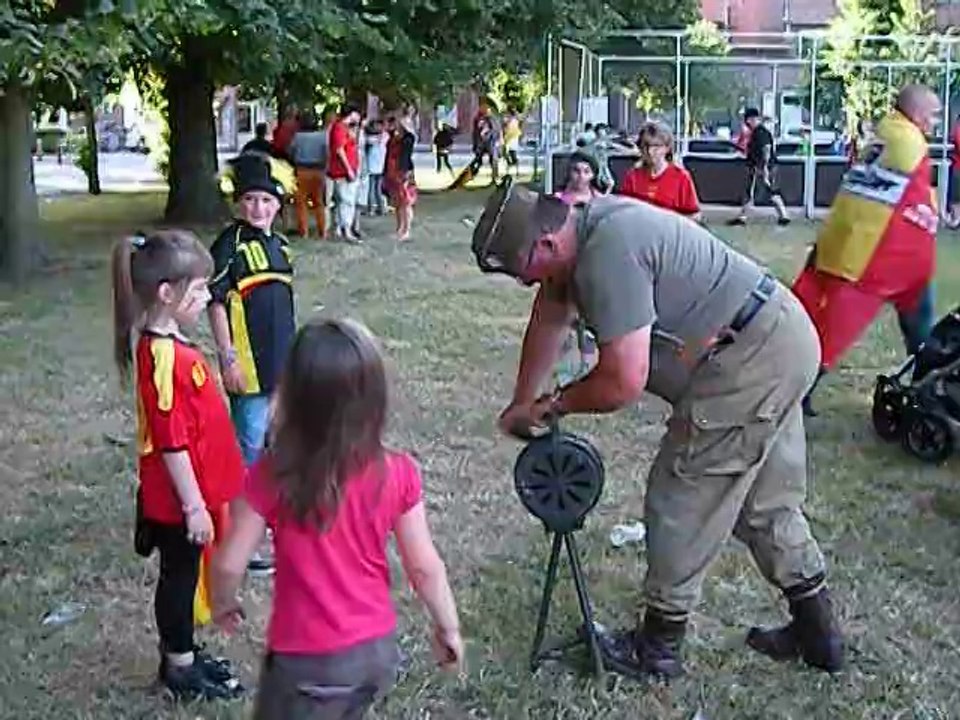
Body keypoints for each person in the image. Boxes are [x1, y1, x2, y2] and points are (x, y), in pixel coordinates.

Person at [470, 178, 843, 680]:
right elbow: (551, 314)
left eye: (524, 272)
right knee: (764, 501)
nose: (526, 283)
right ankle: (818, 632)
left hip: (748, 358)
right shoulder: (583, 226)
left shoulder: (608, 252)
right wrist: (522, 402)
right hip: (777, 337)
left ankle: (658, 649)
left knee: (681, 492)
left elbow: (623, 380)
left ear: (545, 242)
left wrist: (553, 406)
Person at [209, 318, 464, 719]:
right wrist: (447, 625)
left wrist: (222, 602)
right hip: (374, 652)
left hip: (306, 662)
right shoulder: (398, 472)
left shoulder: (274, 475)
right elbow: (424, 566)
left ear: (293, 397)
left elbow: (227, 562)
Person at [110, 230, 245, 701]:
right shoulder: (162, 355)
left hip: (194, 492)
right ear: (167, 294)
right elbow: (170, 441)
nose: (208, 297)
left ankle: (183, 651)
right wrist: (193, 507)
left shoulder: (171, 341)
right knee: (179, 577)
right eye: (200, 289)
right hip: (176, 500)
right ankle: (179, 667)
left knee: (187, 575)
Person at [792, 84, 941, 416]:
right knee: (833, 336)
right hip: (878, 262)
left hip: (858, 254)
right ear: (915, 113)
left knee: (832, 331)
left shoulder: (885, 135)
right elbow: (911, 198)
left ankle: (926, 391)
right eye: (932, 114)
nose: (935, 122)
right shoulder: (909, 142)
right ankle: (793, 393)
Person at [209, 153, 297, 575]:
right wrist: (227, 357)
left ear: (278, 203)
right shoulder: (230, 246)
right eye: (249, 200)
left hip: (282, 370)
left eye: (265, 200)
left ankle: (276, 527)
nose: (257, 208)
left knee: (277, 451)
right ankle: (243, 541)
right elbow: (216, 303)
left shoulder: (281, 248)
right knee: (248, 456)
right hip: (248, 369)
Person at [620, 122, 701, 221]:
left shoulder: (681, 177)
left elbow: (695, 216)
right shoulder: (633, 176)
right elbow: (623, 213)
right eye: (646, 146)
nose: (650, 151)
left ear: (667, 148)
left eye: (656, 146)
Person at [729, 108, 790, 226]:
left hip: (762, 167)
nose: (746, 124)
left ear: (751, 119)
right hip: (759, 167)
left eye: (747, 121)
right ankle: (743, 217)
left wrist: (765, 169)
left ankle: (783, 216)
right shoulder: (757, 132)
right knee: (757, 192)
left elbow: (766, 149)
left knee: (766, 191)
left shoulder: (760, 132)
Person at [288, 111, 328, 238]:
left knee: (301, 203)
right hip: (319, 171)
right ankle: (322, 231)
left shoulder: (297, 137)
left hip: (302, 170)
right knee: (319, 202)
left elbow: (290, 151)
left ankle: (303, 231)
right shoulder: (323, 136)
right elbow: (327, 152)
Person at [327, 104, 362, 243]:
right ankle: (346, 230)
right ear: (352, 113)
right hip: (343, 172)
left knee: (342, 201)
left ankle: (339, 229)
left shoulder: (345, 128)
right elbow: (339, 150)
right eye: (358, 114)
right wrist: (348, 169)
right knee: (347, 201)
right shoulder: (340, 127)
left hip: (345, 170)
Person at [385, 115, 418, 242]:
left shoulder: (408, 139)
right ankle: (399, 228)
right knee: (398, 203)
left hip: (403, 171)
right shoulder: (395, 137)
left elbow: (405, 156)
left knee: (405, 202)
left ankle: (406, 230)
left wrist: (404, 174)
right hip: (393, 171)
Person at [362, 118, 388, 216]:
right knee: (376, 188)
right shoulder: (384, 136)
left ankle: (372, 209)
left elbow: (368, 140)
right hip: (379, 165)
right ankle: (379, 208)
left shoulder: (375, 138)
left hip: (373, 165)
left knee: (373, 188)